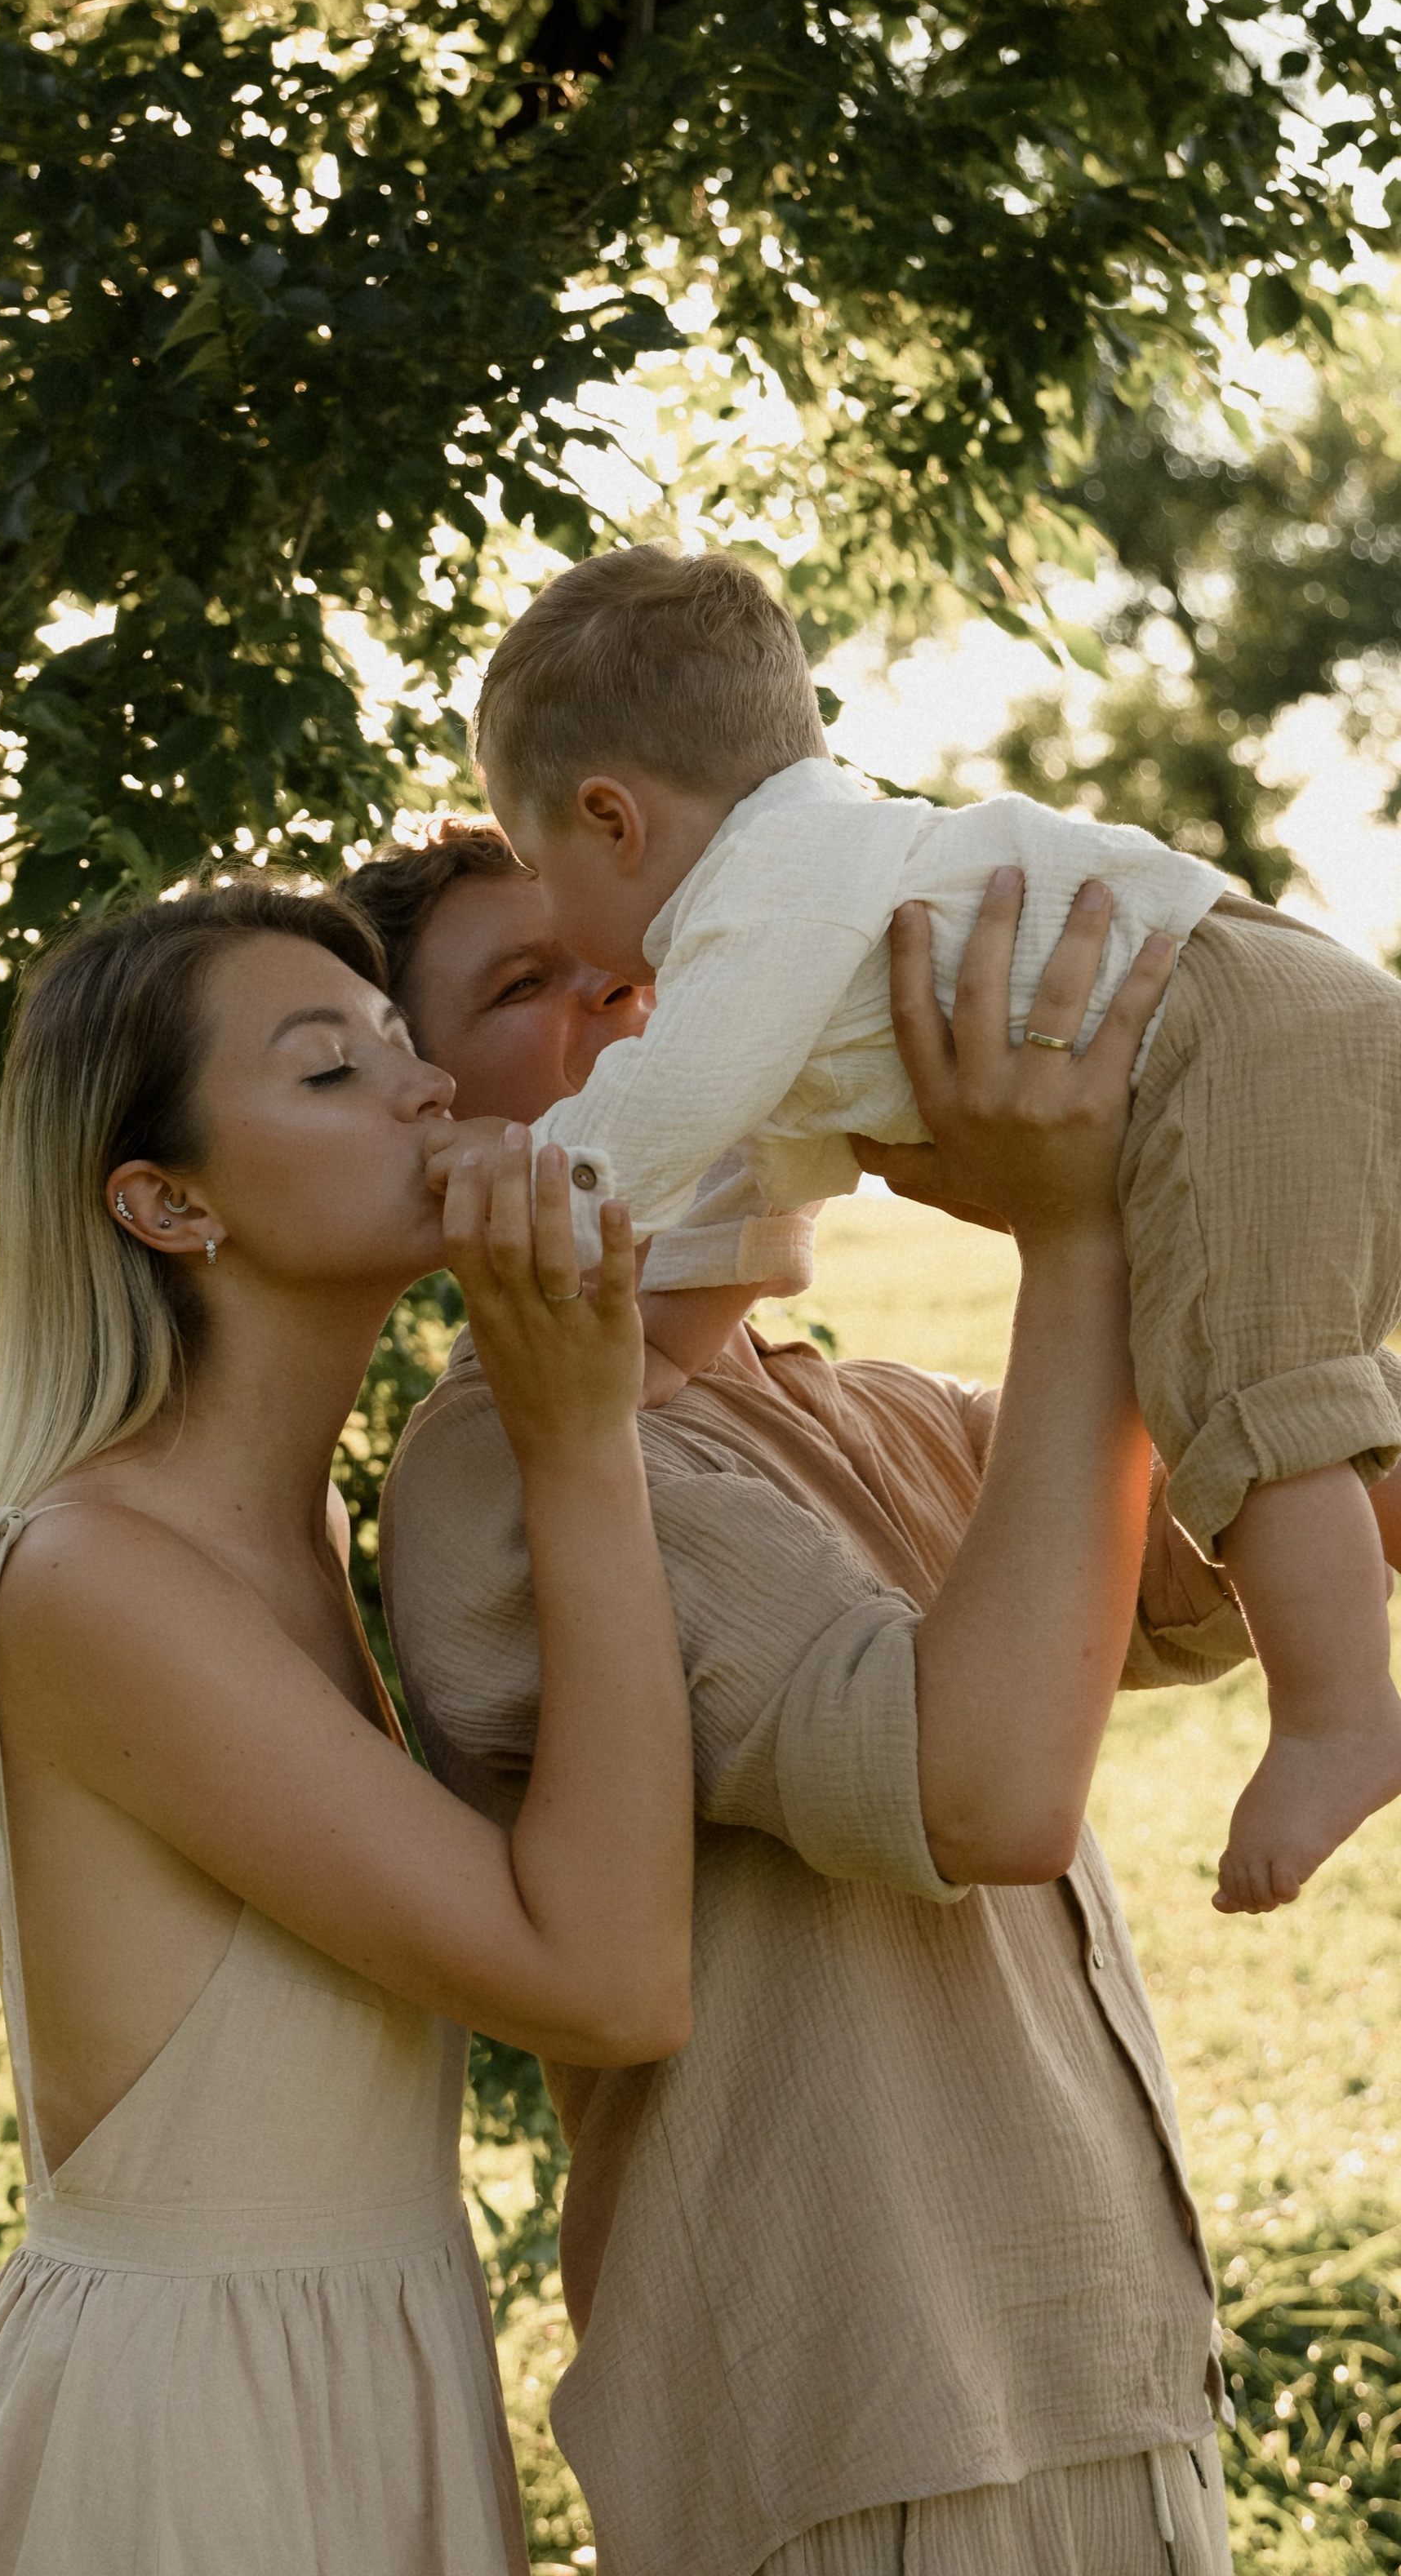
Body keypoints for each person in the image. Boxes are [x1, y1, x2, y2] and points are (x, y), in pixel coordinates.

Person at [380, 846, 1287, 2576]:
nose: (629, 1002)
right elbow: (976, 1784)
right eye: (532, 987)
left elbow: (1198, 1571)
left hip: (1107, 2405)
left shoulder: (863, 1407)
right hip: (854, 2475)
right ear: (437, 1132)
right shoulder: (510, 1470)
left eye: (651, 958)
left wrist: (1224, 1149)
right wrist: (1069, 1237)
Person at [0, 877, 696, 2576]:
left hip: (349, 2423)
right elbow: (600, 1977)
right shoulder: (101, 1582)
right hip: (182, 2495)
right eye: (326, 1066)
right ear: (169, 1206)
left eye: (391, 1035)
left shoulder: (307, 1521)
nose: (414, 1077)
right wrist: (577, 1438)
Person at [464, 540, 1401, 1914]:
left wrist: (499, 1184)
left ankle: (1340, 1717)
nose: (581, 955)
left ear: (614, 820)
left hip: (1241, 1027)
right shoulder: (807, 918)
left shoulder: (770, 890)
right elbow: (753, 1183)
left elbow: (655, 1120)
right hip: (1267, 1024)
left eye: (537, 876)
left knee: (1254, 1385)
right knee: (1271, 1385)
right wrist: (656, 1344)